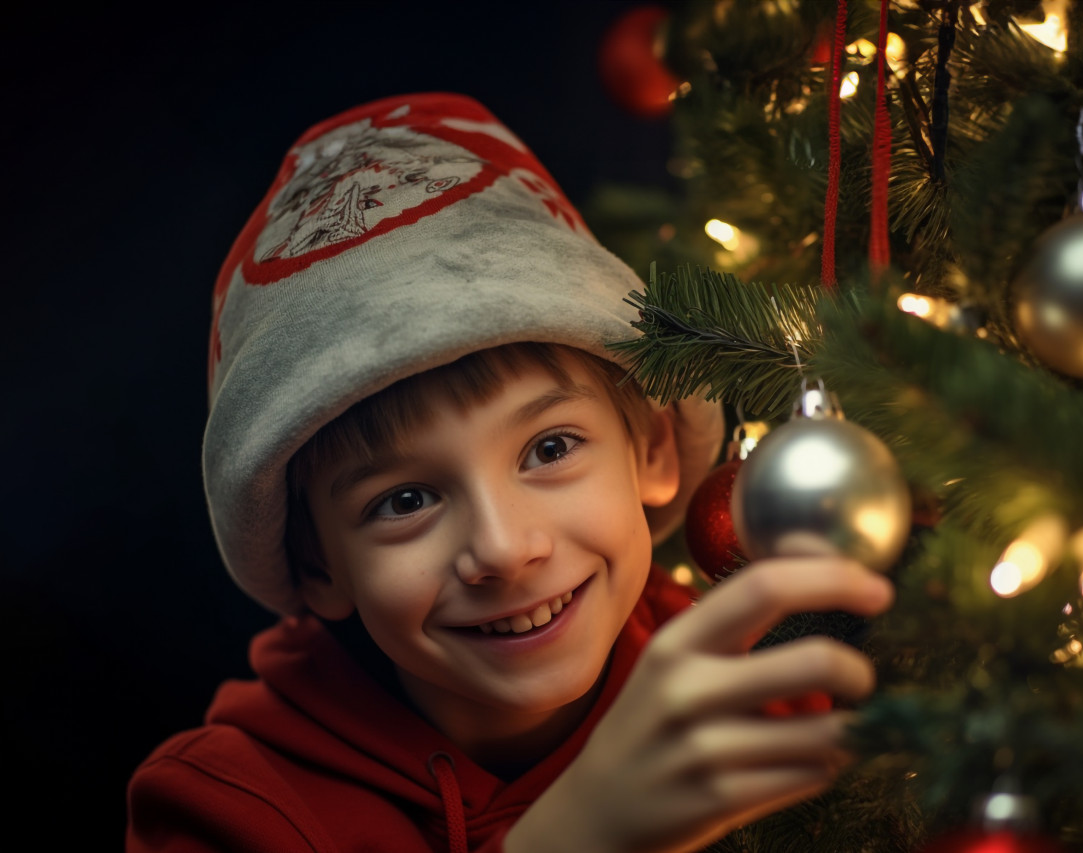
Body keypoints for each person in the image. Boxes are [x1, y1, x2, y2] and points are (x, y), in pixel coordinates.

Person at [126, 93, 895, 853]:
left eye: (551, 449)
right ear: (317, 565)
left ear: (654, 449)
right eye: (405, 500)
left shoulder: (772, 693)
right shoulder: (226, 811)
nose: (502, 547)